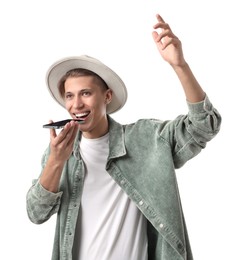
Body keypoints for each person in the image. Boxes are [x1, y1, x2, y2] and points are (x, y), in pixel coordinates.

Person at [26, 14, 221, 260]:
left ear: (107, 96)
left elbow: (204, 126)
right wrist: (56, 161)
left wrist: (179, 65)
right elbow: (36, 213)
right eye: (69, 96)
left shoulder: (146, 139)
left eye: (86, 93)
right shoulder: (58, 154)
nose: (76, 104)